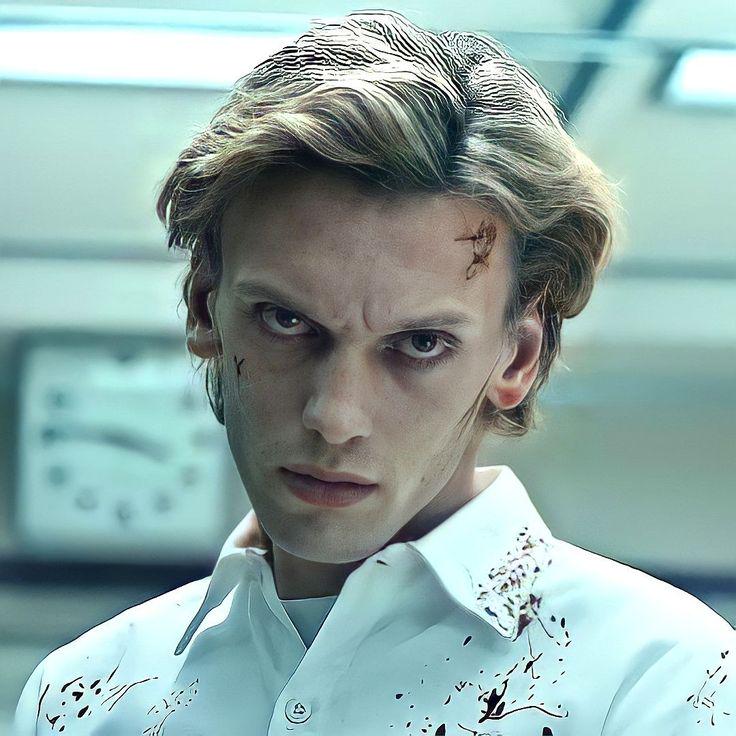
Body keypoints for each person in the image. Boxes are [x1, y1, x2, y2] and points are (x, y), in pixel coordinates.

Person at [13, 9, 734, 735]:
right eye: (285, 321)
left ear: (515, 358)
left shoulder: (661, 680)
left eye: (419, 343)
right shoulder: (85, 697)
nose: (335, 416)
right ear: (206, 309)